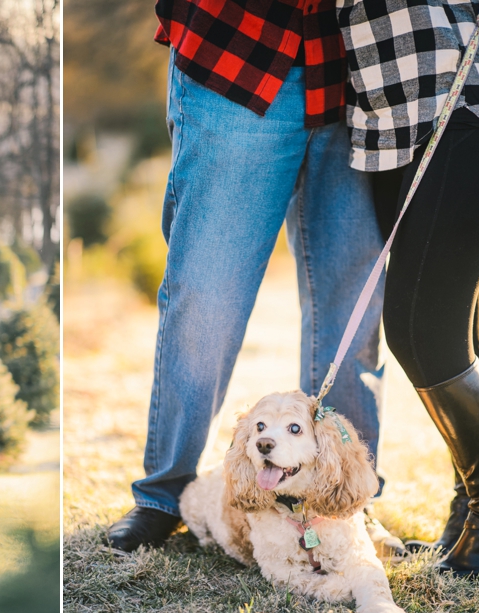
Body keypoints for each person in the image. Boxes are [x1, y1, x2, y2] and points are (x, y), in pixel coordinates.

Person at [105, 0, 401, 555]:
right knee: (206, 296)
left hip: (358, 65)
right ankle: (164, 494)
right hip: (239, 49)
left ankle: (348, 503)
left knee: (353, 308)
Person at [336, 0, 479, 577]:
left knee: (418, 330)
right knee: (455, 321)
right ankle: (472, 515)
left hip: (465, 89)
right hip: (391, 115)